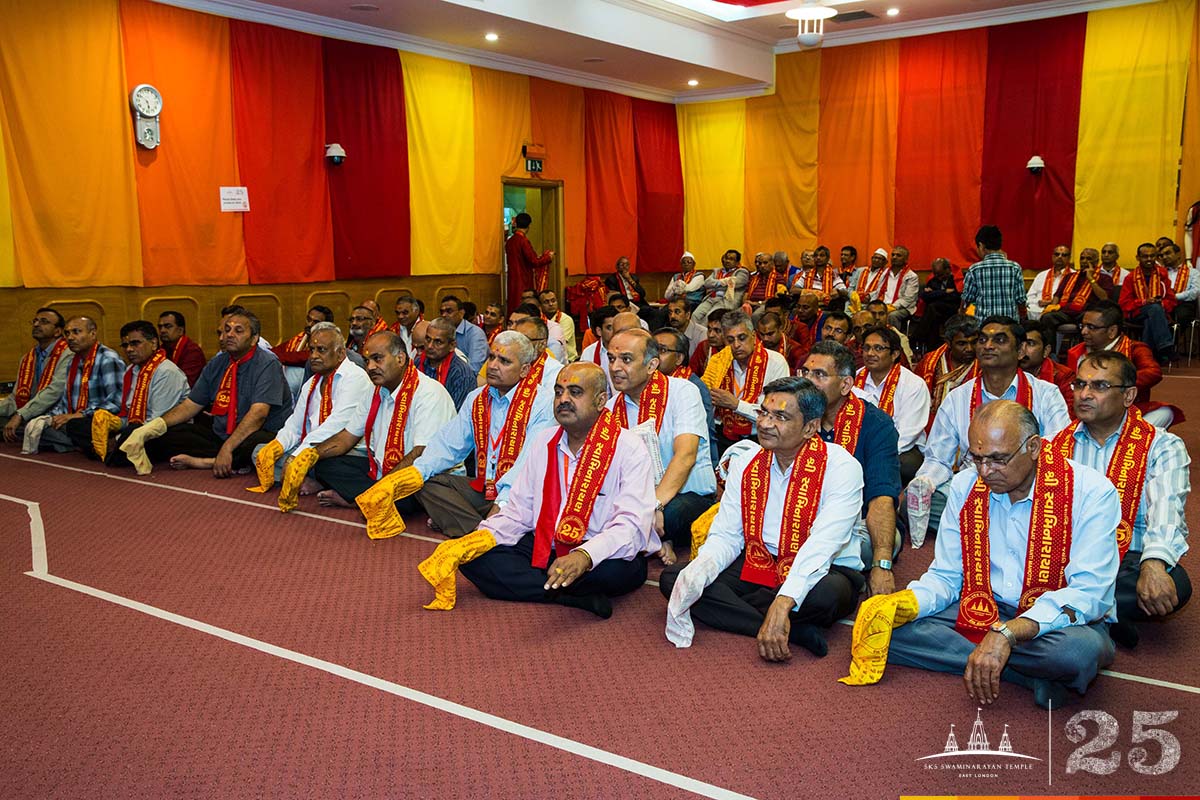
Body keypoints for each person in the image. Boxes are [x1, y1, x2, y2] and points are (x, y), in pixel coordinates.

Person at [857, 400, 1120, 709]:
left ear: (1033, 447)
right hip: (979, 603)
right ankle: (1024, 675)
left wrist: (1010, 633)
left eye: (998, 459)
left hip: (1057, 622)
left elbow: (1088, 594)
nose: (985, 471)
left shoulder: (1091, 492)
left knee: (1075, 654)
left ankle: (996, 655)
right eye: (977, 458)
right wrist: (907, 603)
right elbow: (947, 576)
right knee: (883, 626)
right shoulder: (965, 486)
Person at [417, 362, 659, 619]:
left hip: (599, 551)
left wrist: (584, 555)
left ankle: (548, 585)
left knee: (617, 572)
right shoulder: (544, 441)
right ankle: (571, 596)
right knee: (474, 557)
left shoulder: (628, 448)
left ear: (600, 401)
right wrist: (477, 539)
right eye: (558, 392)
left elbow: (631, 525)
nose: (563, 400)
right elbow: (519, 511)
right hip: (547, 543)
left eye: (575, 392)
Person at [660, 376, 865, 659]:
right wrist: (701, 570)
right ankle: (793, 631)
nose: (766, 424)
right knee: (676, 579)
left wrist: (785, 599)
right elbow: (727, 534)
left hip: (823, 567)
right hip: (759, 559)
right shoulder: (746, 462)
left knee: (826, 596)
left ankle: (764, 608)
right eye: (764, 413)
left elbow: (823, 545)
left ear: (810, 427)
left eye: (780, 417)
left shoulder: (841, 467)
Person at [1050, 351, 1191, 648]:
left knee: (1176, 583)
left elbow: (1167, 513)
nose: (1085, 395)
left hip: (1126, 559)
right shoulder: (1054, 445)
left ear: (1128, 396)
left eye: (1100, 386)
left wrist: (1153, 564)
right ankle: (1106, 615)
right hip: (1065, 556)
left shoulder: (1161, 446)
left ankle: (1076, 611)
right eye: (1080, 384)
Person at [909, 316, 1070, 536]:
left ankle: (979, 530)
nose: (988, 346)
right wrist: (926, 481)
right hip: (974, 483)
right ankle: (999, 530)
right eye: (982, 340)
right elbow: (938, 458)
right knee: (923, 500)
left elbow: (1057, 451)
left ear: (1021, 350)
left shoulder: (1046, 394)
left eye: (999, 340)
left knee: (1056, 502)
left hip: (1026, 488)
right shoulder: (958, 398)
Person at [408, 331, 556, 537]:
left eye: (504, 361)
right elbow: (448, 446)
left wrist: (501, 503)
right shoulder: (477, 398)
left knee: (527, 506)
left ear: (524, 370)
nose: (493, 366)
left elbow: (527, 465)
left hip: (522, 496)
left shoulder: (543, 403)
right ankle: (482, 532)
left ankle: (473, 526)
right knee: (425, 482)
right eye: (492, 357)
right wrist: (412, 475)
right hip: (484, 488)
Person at [119, 310, 294, 477]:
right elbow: (190, 406)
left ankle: (207, 461)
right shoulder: (217, 363)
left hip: (256, 433)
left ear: (254, 338)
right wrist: (152, 428)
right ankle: (225, 458)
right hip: (222, 435)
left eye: (238, 331)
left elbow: (258, 415)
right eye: (227, 330)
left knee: (259, 444)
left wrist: (227, 448)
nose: (229, 335)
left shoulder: (267, 363)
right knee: (169, 432)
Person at [305, 331, 455, 512]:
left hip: (421, 474)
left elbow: (421, 454)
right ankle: (369, 499)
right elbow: (346, 437)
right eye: (366, 361)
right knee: (325, 465)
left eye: (377, 359)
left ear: (400, 359)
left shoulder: (429, 393)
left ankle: (359, 499)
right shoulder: (375, 390)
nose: (370, 367)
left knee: (410, 493)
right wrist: (309, 456)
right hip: (381, 468)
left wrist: (385, 486)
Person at [606, 329, 715, 566]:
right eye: (611, 359)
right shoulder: (610, 408)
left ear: (651, 365)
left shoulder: (682, 391)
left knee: (672, 514)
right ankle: (655, 539)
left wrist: (654, 505)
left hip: (687, 495)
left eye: (626, 359)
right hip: (639, 497)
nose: (615, 368)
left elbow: (685, 456)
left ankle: (650, 538)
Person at [803, 342, 902, 597]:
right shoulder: (795, 415)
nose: (808, 381)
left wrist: (882, 565)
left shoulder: (876, 424)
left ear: (846, 385)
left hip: (857, 522)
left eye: (819, 375)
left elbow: (881, 497)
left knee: (879, 541)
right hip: (800, 514)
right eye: (805, 372)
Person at [248, 322, 374, 506]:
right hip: (312, 446)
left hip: (345, 449)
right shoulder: (312, 383)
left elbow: (334, 428)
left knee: (326, 464)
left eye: (321, 350)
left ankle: (317, 478)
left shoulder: (355, 378)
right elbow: (295, 425)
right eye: (312, 350)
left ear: (340, 353)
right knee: (260, 452)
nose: (313, 356)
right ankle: (315, 480)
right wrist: (277, 446)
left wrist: (298, 456)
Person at [62, 321, 189, 464]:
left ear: (153, 343)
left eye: (135, 343)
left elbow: (156, 421)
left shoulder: (166, 372)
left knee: (132, 433)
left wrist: (117, 438)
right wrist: (108, 424)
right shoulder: (131, 370)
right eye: (125, 345)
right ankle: (112, 450)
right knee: (77, 425)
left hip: (163, 430)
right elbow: (127, 413)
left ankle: (110, 451)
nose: (129, 349)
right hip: (135, 425)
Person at [1066, 300, 1182, 429]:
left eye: (1091, 327)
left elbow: (1153, 372)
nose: (1084, 332)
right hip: (1086, 410)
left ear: (1112, 331)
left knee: (1165, 412)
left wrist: (1114, 385)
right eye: (1082, 326)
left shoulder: (1135, 349)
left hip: (1124, 413)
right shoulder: (1075, 353)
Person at [28, 317, 125, 454]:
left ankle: (80, 443)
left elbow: (117, 402)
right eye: (67, 333)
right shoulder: (72, 362)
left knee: (75, 426)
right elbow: (65, 403)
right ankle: (78, 444)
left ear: (93, 333)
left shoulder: (108, 359)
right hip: (76, 419)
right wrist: (49, 418)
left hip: (101, 419)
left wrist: (80, 415)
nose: (70, 338)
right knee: (35, 425)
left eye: (76, 332)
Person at [702, 311, 789, 454]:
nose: (736, 345)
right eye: (730, 340)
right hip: (723, 435)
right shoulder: (718, 363)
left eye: (742, 338)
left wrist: (736, 405)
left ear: (753, 336)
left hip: (761, 437)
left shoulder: (775, 362)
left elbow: (775, 414)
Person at [854, 326, 930, 485]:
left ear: (895, 354)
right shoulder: (854, 379)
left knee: (905, 465)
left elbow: (908, 433)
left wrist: (874, 454)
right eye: (866, 348)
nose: (870, 353)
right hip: (858, 444)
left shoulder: (913, 384)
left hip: (902, 448)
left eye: (878, 348)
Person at [1, 307, 69, 443]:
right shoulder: (27, 358)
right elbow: (15, 398)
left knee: (40, 428)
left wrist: (20, 415)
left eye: (44, 321)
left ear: (57, 331)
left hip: (55, 415)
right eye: (35, 321)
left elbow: (53, 392)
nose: (37, 324)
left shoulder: (68, 354)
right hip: (29, 413)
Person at [653, 327, 715, 465]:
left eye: (662, 350)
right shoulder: (648, 382)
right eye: (652, 350)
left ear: (679, 358)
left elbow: (707, 436)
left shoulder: (694, 387)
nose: (655, 356)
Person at [915, 314, 979, 428]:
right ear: (948, 343)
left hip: (969, 425)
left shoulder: (984, 366)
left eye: (974, 342)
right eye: (962, 343)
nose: (969, 349)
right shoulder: (928, 362)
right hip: (929, 425)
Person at [1119, 242, 1177, 364]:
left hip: (1157, 314)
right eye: (1145, 256)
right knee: (1153, 309)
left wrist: (1161, 304)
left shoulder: (1162, 275)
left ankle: (1147, 357)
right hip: (1136, 313)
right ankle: (1166, 346)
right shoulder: (1130, 277)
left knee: (1150, 318)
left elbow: (1171, 300)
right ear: (1138, 258)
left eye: (1152, 256)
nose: (1149, 259)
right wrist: (1144, 302)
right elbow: (1124, 304)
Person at [1040, 247, 1115, 331]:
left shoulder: (1105, 278)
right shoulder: (1070, 276)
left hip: (1086, 313)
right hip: (1065, 312)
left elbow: (1104, 298)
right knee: (1047, 317)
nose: (1084, 261)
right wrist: (1052, 308)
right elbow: (1057, 295)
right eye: (1082, 258)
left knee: (1089, 320)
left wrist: (1091, 279)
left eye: (1088, 258)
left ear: (1096, 262)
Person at [960, 225, 1026, 319]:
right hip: (1009, 324)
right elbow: (1021, 300)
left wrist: (961, 313)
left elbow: (966, 300)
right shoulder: (1015, 268)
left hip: (984, 324)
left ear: (981, 246)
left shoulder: (974, 270)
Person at [413, 317, 475, 411]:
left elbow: (457, 414)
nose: (430, 346)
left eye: (438, 342)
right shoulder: (416, 363)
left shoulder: (462, 374)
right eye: (428, 339)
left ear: (452, 346)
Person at [273, 305, 333, 397]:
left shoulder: (327, 344)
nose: (309, 324)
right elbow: (274, 352)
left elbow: (301, 357)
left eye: (315, 322)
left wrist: (279, 357)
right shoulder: (300, 338)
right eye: (308, 320)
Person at [1019, 321, 1074, 410]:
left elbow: (1069, 413)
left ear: (1046, 351)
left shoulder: (1063, 376)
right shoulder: (1004, 371)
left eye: (1030, 344)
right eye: (1020, 344)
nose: (1023, 349)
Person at [505, 212, 554, 312]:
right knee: (524, 306)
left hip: (512, 279)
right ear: (528, 226)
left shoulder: (510, 241)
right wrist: (548, 257)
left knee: (513, 304)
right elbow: (534, 261)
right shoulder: (523, 241)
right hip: (524, 279)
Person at [912, 258, 961, 352]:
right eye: (936, 274)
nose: (938, 277)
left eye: (940, 274)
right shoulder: (933, 280)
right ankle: (932, 350)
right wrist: (944, 292)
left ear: (948, 270)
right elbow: (925, 296)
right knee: (933, 318)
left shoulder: (955, 279)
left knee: (932, 307)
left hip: (952, 310)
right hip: (937, 312)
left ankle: (917, 338)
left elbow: (956, 297)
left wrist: (935, 294)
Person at [433, 295, 487, 374]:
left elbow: (475, 369)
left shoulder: (475, 334)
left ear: (461, 313)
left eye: (449, 311)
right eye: (442, 312)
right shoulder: (441, 332)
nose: (444, 315)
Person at [693, 249, 748, 324]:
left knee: (708, 318)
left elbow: (734, 283)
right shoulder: (717, 271)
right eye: (726, 258)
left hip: (726, 300)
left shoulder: (742, 272)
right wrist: (723, 282)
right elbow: (707, 283)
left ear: (737, 262)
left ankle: (704, 332)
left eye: (731, 259)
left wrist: (715, 284)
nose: (727, 261)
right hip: (712, 298)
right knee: (695, 315)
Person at [157, 311, 207, 386]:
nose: (162, 330)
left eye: (168, 326)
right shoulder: (160, 350)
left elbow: (186, 384)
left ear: (180, 330)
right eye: (160, 327)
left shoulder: (192, 351)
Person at [1026, 245, 1074, 320]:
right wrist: (1039, 302)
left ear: (1069, 258)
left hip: (1059, 312)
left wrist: (1053, 303)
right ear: (1052, 256)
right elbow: (1029, 298)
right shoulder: (1042, 275)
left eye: (1064, 255)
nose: (1060, 257)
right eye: (1057, 254)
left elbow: (1075, 301)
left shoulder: (1074, 276)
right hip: (1037, 311)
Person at [579, 305, 619, 393]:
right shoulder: (589, 353)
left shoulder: (629, 350)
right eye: (609, 328)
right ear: (599, 331)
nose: (615, 331)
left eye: (617, 327)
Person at [878, 246, 919, 329]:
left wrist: (892, 307)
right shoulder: (885, 272)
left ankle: (893, 336)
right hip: (883, 304)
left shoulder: (911, 276)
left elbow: (908, 299)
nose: (894, 257)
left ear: (906, 259)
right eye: (893, 255)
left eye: (898, 255)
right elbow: (878, 291)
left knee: (892, 315)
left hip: (903, 307)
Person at [865, 299, 914, 365]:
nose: (877, 317)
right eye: (873, 314)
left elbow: (906, 366)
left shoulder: (901, 338)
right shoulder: (859, 335)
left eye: (881, 314)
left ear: (887, 316)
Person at [1159, 241, 1196, 328]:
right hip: (1162, 302)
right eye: (1162, 255)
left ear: (1178, 254)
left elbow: (1195, 292)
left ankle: (1173, 336)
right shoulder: (1159, 273)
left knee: (1181, 315)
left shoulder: (1193, 272)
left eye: (1167, 253)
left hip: (1183, 303)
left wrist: (1175, 296)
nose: (1164, 257)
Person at [538, 289, 577, 361]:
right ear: (540, 306)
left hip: (568, 361)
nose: (551, 304)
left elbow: (558, 344)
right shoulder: (539, 320)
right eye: (546, 302)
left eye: (553, 301)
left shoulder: (566, 319)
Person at [689, 307, 727, 377]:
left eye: (717, 330)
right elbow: (691, 374)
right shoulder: (703, 346)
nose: (710, 335)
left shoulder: (736, 350)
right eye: (709, 329)